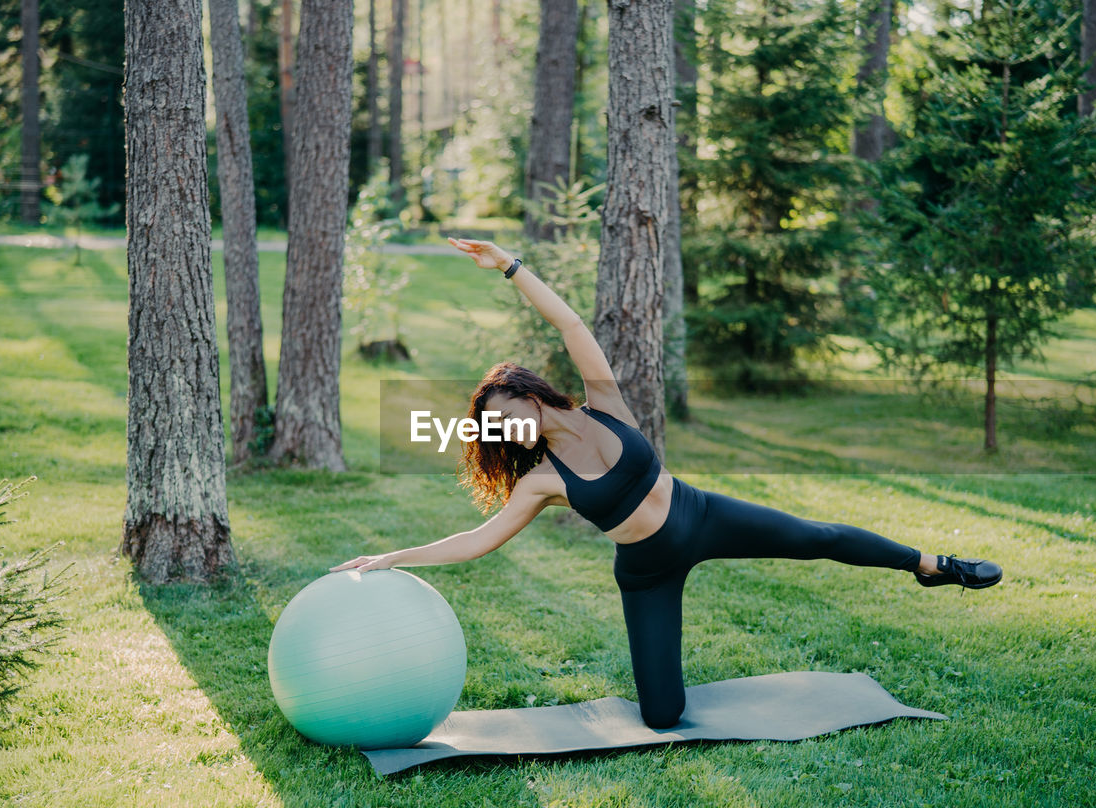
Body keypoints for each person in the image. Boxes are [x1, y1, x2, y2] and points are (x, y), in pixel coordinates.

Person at [328, 237, 1002, 730]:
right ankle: (666, 694)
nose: (515, 429)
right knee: (661, 716)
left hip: (700, 514)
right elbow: (479, 540)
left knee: (818, 536)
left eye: (514, 413)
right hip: (647, 569)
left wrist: (509, 265)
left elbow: (568, 323)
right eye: (502, 430)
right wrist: (391, 557)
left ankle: (932, 565)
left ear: (533, 396)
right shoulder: (539, 480)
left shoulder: (603, 402)